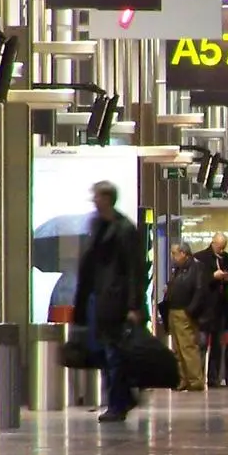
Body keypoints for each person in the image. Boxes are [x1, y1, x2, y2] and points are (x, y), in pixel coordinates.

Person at [72, 181, 147, 423]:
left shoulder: (124, 230)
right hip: (99, 299)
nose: (94, 201)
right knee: (104, 353)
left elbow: (135, 269)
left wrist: (134, 305)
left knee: (115, 353)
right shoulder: (98, 227)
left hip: (117, 301)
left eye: (97, 197)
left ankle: (117, 403)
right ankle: (123, 397)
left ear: (107, 199)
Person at [157, 240, 208, 393]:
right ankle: (182, 379)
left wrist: (190, 310)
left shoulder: (196, 267)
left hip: (184, 311)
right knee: (177, 348)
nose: (172, 256)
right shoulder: (178, 269)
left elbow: (200, 290)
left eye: (174, 253)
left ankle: (195, 380)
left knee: (188, 347)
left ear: (183, 253)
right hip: (174, 311)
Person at [194, 233, 228, 386]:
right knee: (202, 343)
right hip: (205, 307)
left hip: (221, 307)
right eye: (219, 247)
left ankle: (214, 378)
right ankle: (198, 377)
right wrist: (213, 276)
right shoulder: (200, 258)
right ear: (213, 243)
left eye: (224, 247)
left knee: (218, 345)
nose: (222, 250)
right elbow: (198, 280)